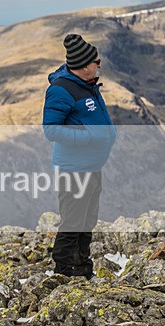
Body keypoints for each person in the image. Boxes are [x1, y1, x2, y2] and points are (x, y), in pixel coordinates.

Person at [42, 34, 117, 279]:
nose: (99, 64)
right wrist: (89, 136)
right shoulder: (61, 90)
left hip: (92, 166)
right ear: (84, 65)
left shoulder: (88, 84)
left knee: (87, 220)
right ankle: (63, 272)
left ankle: (82, 268)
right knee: (73, 222)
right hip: (73, 168)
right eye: (97, 61)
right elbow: (51, 129)